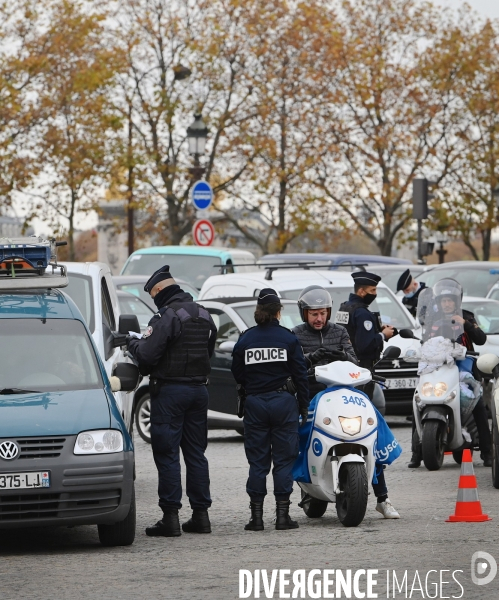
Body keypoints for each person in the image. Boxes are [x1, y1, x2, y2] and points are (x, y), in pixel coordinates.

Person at [294, 285, 400, 519]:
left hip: (343, 394)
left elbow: (355, 362)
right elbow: (293, 365)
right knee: (293, 436)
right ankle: (302, 484)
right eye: (314, 314)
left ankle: (382, 498)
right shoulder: (296, 334)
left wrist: (344, 357)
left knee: (371, 431)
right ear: (304, 313)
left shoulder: (340, 332)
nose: (319, 318)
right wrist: (312, 358)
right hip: (312, 396)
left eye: (323, 313)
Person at [127, 265, 218, 537]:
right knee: (196, 455)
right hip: (199, 392)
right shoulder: (205, 314)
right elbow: (208, 352)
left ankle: (170, 518)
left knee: (167, 455)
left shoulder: (165, 316)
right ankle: (201, 517)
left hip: (170, 393)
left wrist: (131, 344)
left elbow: (146, 356)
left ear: (158, 291)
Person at [231, 288, 310, 532]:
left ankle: (256, 519)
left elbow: (237, 373)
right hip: (283, 403)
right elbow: (301, 374)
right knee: (284, 461)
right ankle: (283, 517)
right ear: (278, 312)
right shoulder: (288, 338)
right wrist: (304, 404)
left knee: (258, 462)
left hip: (255, 404)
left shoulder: (246, 339)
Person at [408, 278, 492, 468]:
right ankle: (416, 452)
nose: (447, 304)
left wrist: (467, 325)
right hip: (437, 367)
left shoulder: (467, 317)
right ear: (438, 302)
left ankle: (488, 452)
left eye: (450, 300)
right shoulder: (432, 321)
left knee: (478, 403)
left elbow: (480, 339)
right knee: (418, 399)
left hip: (464, 366)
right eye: (444, 301)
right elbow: (425, 343)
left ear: (457, 301)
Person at [337, 271, 395, 400]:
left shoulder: (345, 307)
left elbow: (352, 331)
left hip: (345, 366)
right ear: (362, 292)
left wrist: (376, 330)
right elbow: (364, 345)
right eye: (373, 290)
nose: (375, 294)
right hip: (361, 369)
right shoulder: (362, 313)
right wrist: (383, 335)